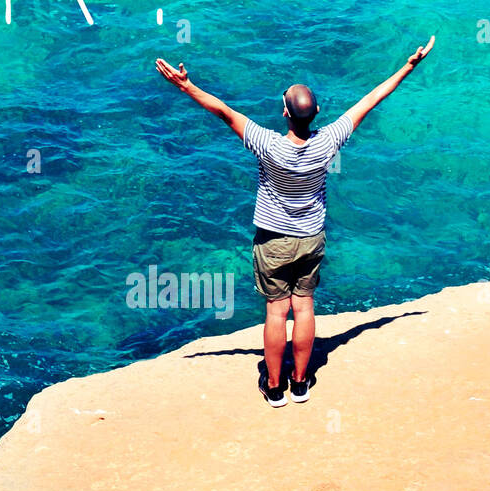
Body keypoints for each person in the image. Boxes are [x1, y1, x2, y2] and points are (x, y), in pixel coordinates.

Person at [153, 37, 435, 406]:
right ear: (316, 110)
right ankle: (300, 382)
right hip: (311, 238)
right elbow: (372, 98)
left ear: (285, 113)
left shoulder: (267, 143)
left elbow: (222, 111)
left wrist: (185, 85)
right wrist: (410, 64)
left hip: (273, 241)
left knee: (276, 311)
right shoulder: (329, 141)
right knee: (303, 306)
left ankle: (274, 387)